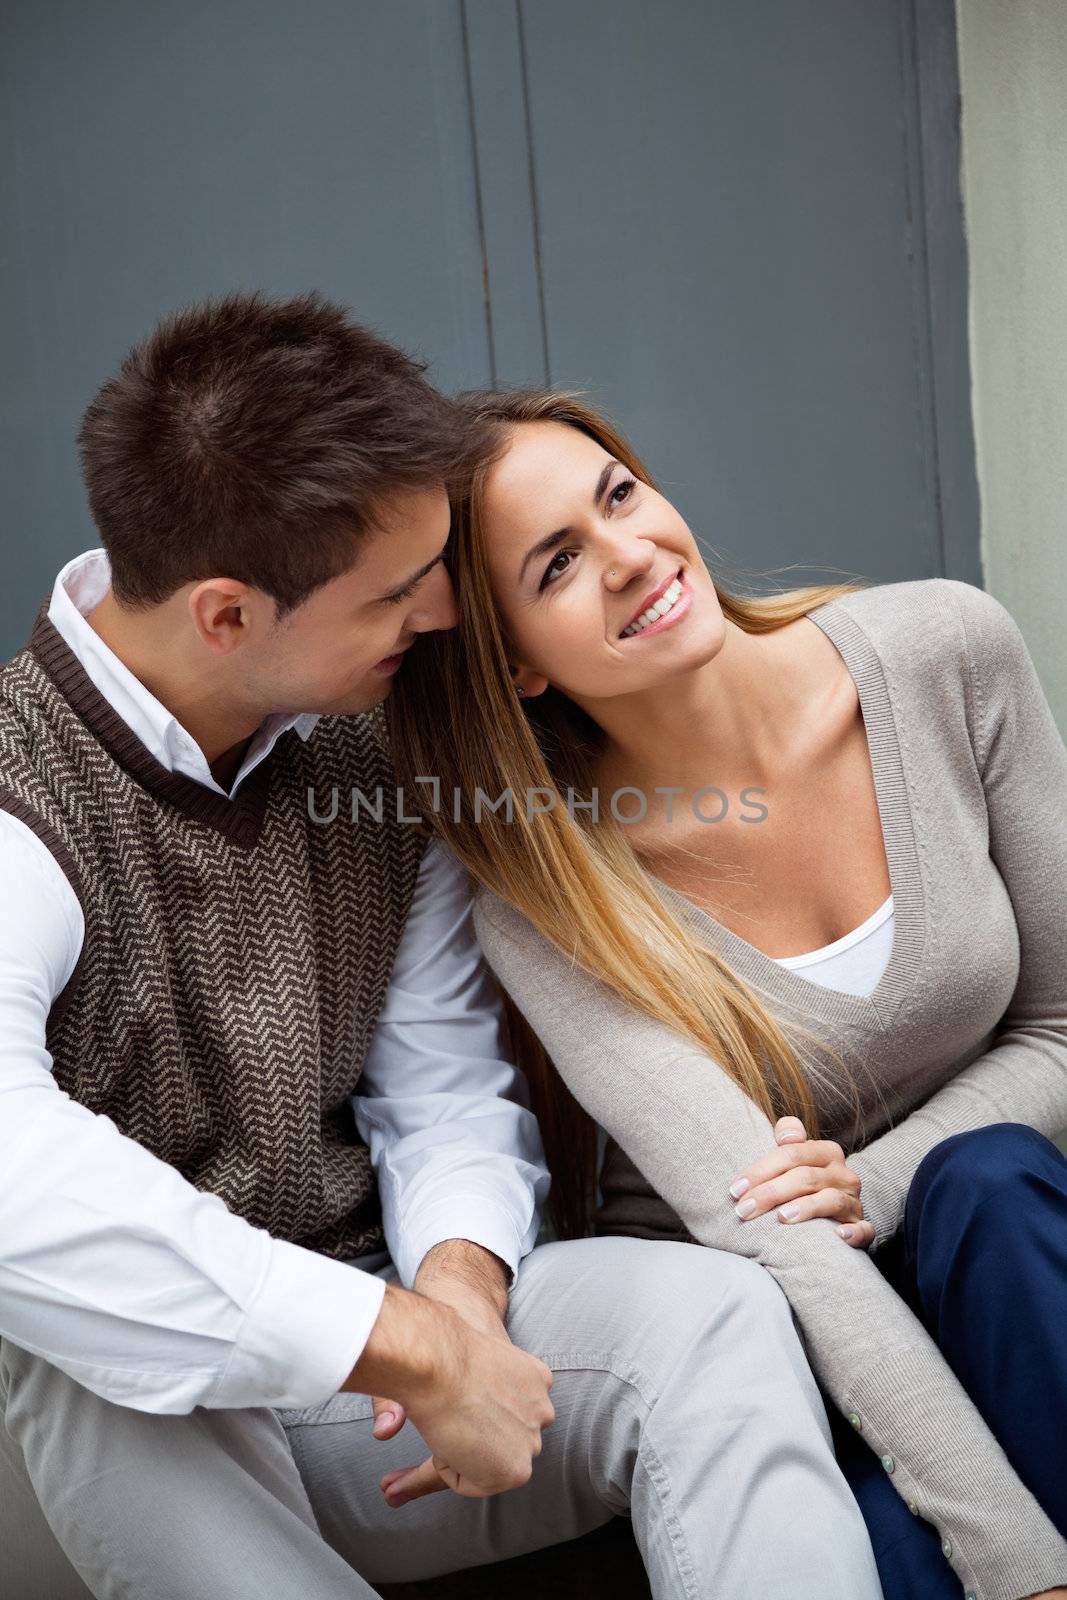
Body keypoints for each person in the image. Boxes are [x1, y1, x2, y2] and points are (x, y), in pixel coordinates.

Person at [0, 293, 886, 1600]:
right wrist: (399, 1347)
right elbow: (19, 1177)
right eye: (397, 593)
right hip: (99, 1446)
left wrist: (459, 1302)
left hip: (357, 1393)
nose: (441, 616)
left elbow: (437, 1084)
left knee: (708, 1316)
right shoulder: (23, 795)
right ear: (229, 616)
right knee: (82, 1359)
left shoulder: (371, 756)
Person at [387, 387, 1067, 1600]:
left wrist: (876, 1176)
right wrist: (1022, 1573)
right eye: (556, 567)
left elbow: (1063, 1026)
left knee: (989, 1182)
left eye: (617, 496)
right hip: (790, 1333)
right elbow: (778, 1242)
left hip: (1002, 1255)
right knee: (902, 1561)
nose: (630, 555)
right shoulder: (553, 892)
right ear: (515, 666)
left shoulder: (946, 655)